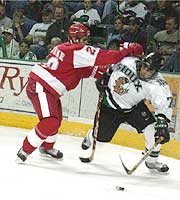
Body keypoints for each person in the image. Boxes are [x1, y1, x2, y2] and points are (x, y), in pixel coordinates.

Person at [16, 23, 143, 162]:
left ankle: (47, 147)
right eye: (84, 39)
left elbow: (85, 70)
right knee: (49, 122)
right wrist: (126, 51)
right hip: (41, 87)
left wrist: (106, 75)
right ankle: (24, 151)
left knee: (56, 120)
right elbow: (106, 56)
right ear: (75, 39)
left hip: (47, 88)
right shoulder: (76, 50)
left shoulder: (65, 49)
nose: (86, 43)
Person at [81, 52, 173, 173]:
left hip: (133, 109)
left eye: (150, 70)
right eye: (145, 66)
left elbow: (164, 103)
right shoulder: (127, 61)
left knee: (153, 129)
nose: (145, 72)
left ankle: (151, 162)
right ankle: (91, 135)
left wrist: (163, 122)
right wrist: (105, 76)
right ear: (142, 62)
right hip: (110, 105)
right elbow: (111, 66)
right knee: (101, 138)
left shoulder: (157, 84)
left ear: (156, 71)